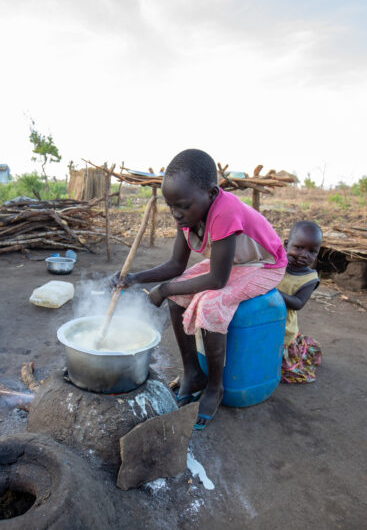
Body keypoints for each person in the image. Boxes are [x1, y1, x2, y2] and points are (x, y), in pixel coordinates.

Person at [110, 149, 287, 429]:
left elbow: (217, 281)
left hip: (263, 265)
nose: (176, 214)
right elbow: (175, 265)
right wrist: (134, 278)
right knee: (178, 293)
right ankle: (193, 373)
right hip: (232, 264)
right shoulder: (188, 214)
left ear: (212, 194)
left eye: (182, 205)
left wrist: (165, 289)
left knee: (210, 303)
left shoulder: (225, 212)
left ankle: (215, 388)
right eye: (171, 206)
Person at [277, 221, 323, 383]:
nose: (304, 255)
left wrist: (272, 292)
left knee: (285, 370)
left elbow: (298, 303)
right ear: (287, 245)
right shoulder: (275, 263)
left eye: (312, 251)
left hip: (283, 328)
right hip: (261, 318)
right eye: (299, 248)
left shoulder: (309, 278)